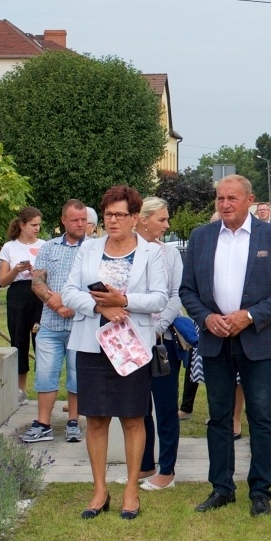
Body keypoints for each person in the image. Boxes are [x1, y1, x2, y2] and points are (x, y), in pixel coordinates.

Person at [179, 174, 271, 516]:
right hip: (215, 340)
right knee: (218, 417)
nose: (225, 204)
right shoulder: (201, 237)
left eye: (232, 198)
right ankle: (221, 488)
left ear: (249, 200)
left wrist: (250, 315)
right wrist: (206, 317)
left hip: (258, 341)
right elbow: (187, 290)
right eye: (220, 198)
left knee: (260, 416)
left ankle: (260, 491)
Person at [60, 185, 170, 520]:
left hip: (132, 347)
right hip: (92, 345)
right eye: (108, 214)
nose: (113, 220)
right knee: (95, 419)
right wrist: (99, 309)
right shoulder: (89, 250)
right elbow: (68, 291)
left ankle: (131, 492)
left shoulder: (151, 253)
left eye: (120, 214)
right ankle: (99, 491)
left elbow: (159, 298)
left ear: (135, 218)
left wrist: (123, 302)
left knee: (133, 418)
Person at [24, 200, 87, 444]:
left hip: (80, 325)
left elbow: (97, 285)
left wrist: (73, 304)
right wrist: (57, 303)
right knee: (45, 375)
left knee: (76, 375)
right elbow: (37, 281)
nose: (80, 224)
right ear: (63, 221)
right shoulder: (49, 248)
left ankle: (73, 422)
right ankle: (43, 424)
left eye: (83, 219)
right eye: (75, 220)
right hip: (50, 323)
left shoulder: (92, 248)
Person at [135, 196, 184, 491]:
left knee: (165, 407)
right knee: (137, 408)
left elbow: (176, 295)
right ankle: (144, 466)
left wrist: (157, 328)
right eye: (162, 219)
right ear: (143, 219)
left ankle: (167, 470)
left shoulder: (170, 253)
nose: (167, 225)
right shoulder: (128, 251)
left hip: (161, 342)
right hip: (129, 341)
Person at [0, 206, 43, 398]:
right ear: (22, 225)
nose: (37, 229)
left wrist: (36, 272)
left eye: (39, 225)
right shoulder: (9, 247)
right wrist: (16, 270)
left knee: (41, 340)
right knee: (19, 339)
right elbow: (2, 281)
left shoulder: (44, 245)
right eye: (33, 225)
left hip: (39, 293)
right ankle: (20, 390)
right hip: (18, 294)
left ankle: (43, 388)